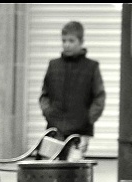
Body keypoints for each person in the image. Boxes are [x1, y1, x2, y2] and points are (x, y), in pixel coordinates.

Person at [39, 21, 106, 161]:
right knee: (47, 171)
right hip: (53, 130)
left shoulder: (91, 67)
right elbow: (44, 95)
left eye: (71, 41)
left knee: (73, 174)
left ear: (81, 42)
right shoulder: (54, 65)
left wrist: (88, 120)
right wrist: (48, 113)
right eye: (64, 41)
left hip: (79, 133)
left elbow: (99, 97)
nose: (67, 45)